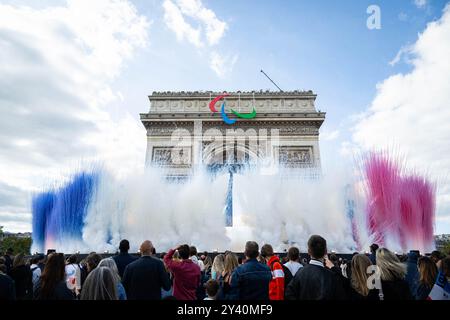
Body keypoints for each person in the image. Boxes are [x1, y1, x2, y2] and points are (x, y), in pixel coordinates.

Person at [285, 235, 345, 300]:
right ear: (325, 252)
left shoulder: (300, 273)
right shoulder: (331, 277)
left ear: (308, 251)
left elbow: (289, 294)